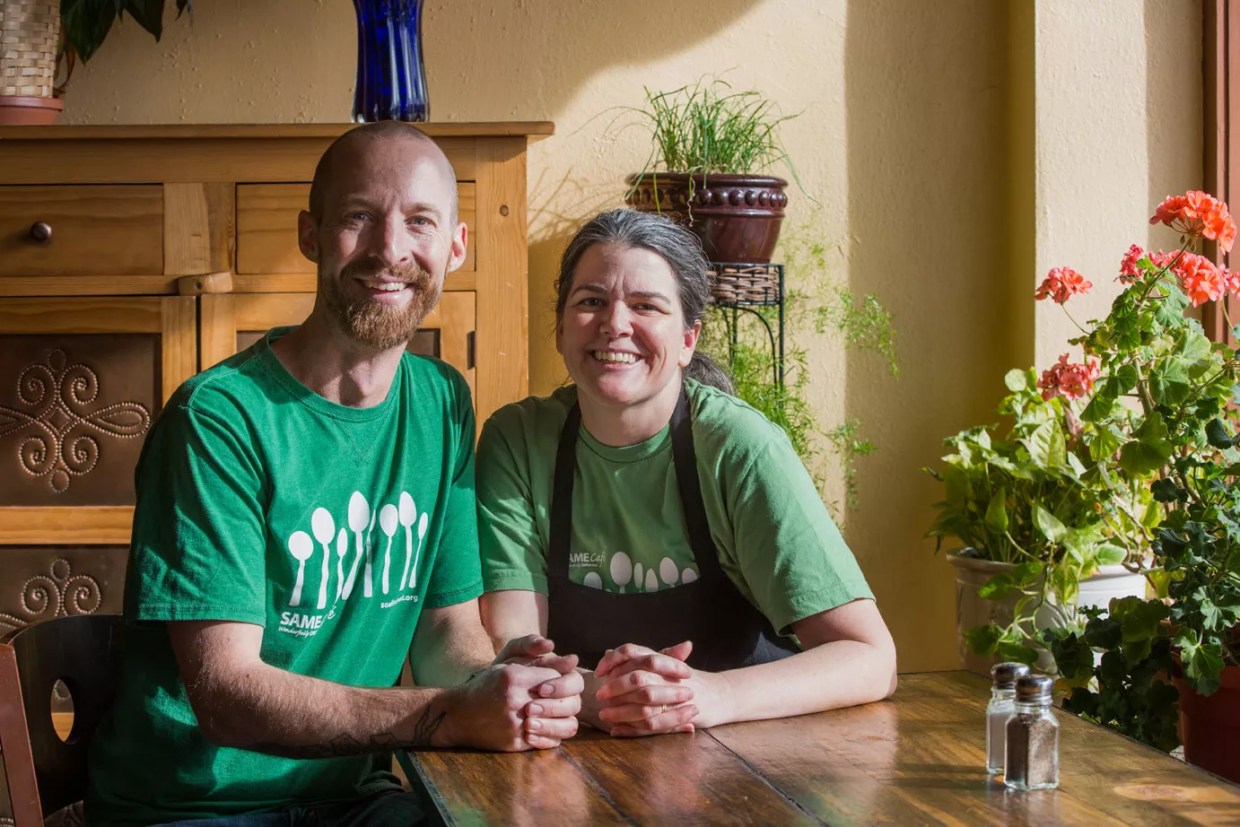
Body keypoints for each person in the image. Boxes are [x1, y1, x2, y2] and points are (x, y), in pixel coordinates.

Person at [84, 122, 583, 827]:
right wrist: (447, 712)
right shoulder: (219, 419)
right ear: (311, 235)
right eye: (358, 217)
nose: (390, 250)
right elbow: (226, 693)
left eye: (420, 222)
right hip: (189, 808)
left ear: (455, 246)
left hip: (349, 800)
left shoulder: (441, 402)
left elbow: (445, 634)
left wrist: (508, 681)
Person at [477, 209, 897, 738]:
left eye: (646, 305)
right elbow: (515, 650)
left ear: (687, 340)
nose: (615, 324)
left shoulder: (739, 448)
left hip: (746, 757)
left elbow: (870, 656)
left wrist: (707, 695)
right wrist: (618, 698)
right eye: (591, 301)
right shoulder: (517, 441)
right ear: (560, 328)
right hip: (569, 750)